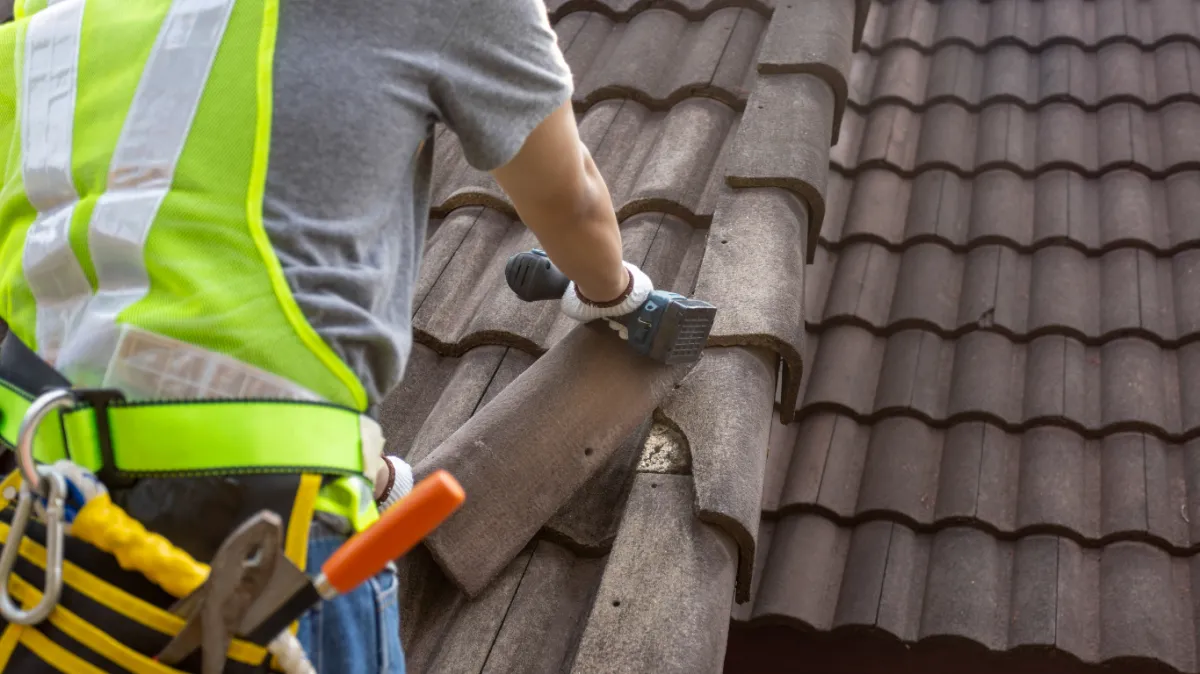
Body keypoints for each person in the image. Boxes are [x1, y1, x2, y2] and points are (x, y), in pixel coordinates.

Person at [0, 0, 654, 671]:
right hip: (263, 536)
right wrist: (618, 293)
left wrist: (360, 464)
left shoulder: (45, 10)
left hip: (39, 523)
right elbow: (570, 200)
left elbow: (155, 285)